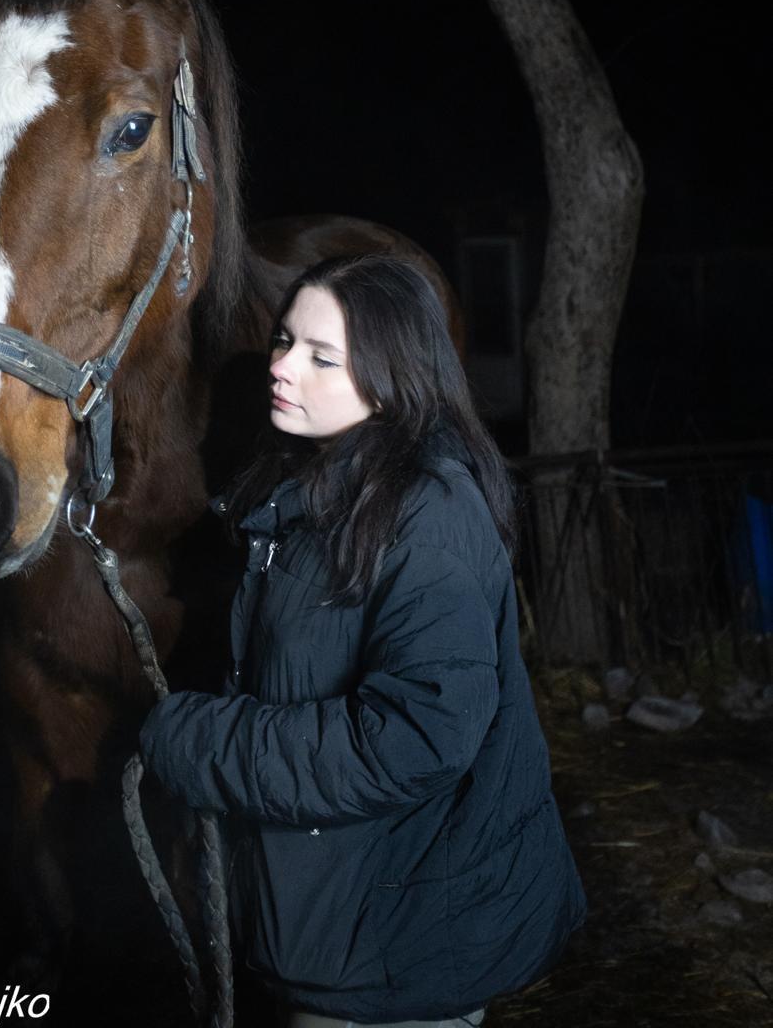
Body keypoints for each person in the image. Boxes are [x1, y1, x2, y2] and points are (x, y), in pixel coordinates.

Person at [139, 254, 586, 1028]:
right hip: (340, 909)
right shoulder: (319, 491)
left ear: (391, 376)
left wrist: (205, 743)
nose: (282, 367)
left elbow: (416, 737)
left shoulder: (427, 516)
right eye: (285, 341)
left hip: (401, 944)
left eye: (322, 357)